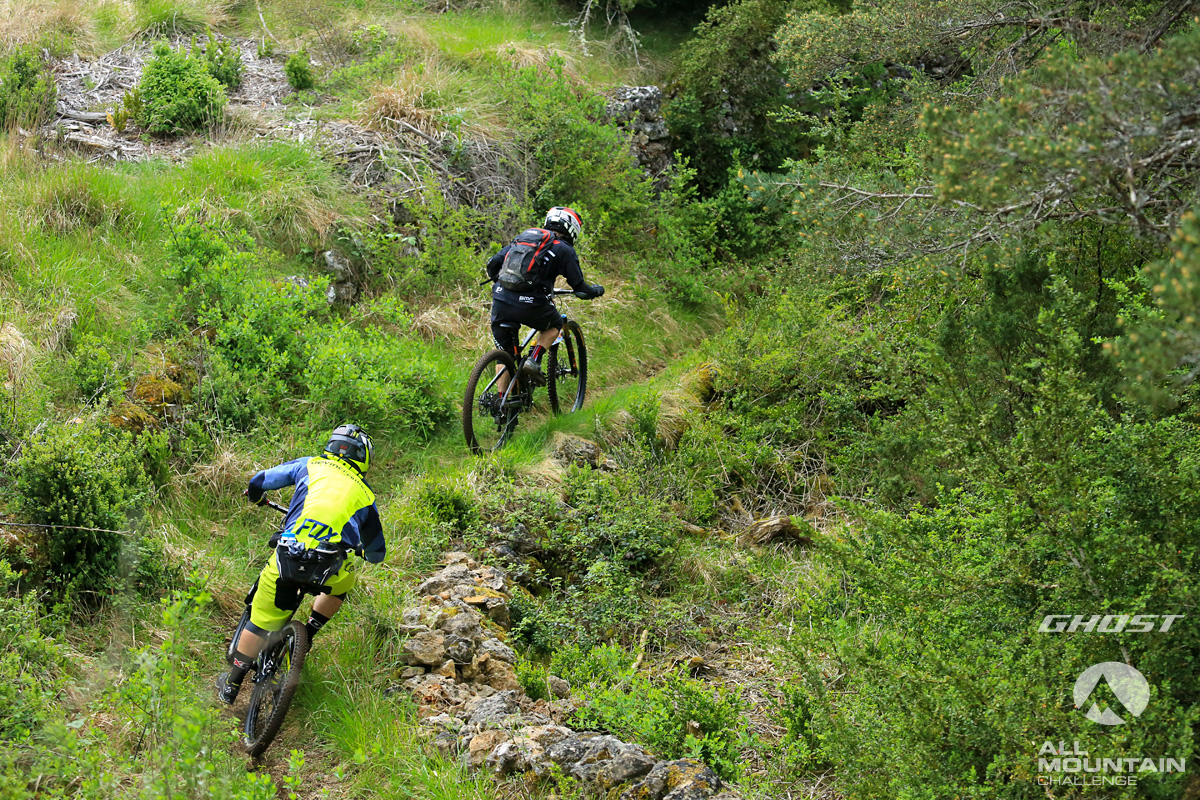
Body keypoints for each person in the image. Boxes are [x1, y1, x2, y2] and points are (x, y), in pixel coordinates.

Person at [217, 424, 385, 705]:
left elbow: (260, 480)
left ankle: (232, 684)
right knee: (341, 585)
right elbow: (377, 552)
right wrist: (362, 551)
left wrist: (257, 497)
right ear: (364, 458)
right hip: (328, 567)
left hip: (288, 558)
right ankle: (306, 634)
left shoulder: (311, 465)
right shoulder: (366, 496)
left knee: (260, 622)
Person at [486, 206, 604, 388]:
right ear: (571, 229)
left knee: (505, 355)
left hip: (501, 299)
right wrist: (594, 291)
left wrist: (502, 286)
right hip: (530, 305)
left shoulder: (524, 238)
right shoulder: (564, 249)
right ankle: (533, 360)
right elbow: (579, 287)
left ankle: (502, 406)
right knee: (555, 325)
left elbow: (493, 264)